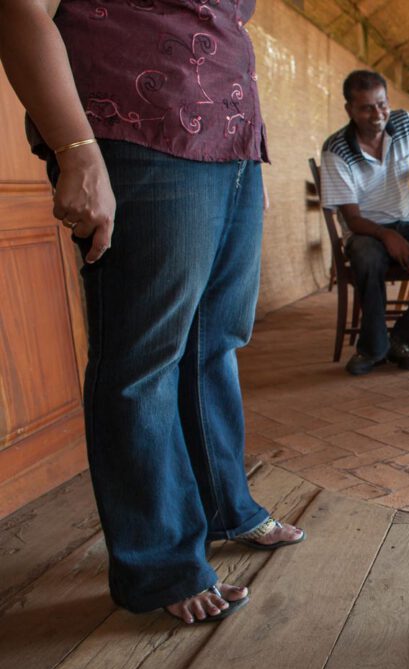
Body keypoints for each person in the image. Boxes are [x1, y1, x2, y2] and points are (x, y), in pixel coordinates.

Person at [1, 0, 304, 625]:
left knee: (213, 342)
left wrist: (246, 152)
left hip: (229, 145)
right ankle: (159, 564)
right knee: (143, 361)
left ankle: (225, 507)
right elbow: (19, 11)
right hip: (139, 132)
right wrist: (77, 149)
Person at [320, 70, 409, 376]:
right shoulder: (336, 150)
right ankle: (372, 348)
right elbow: (352, 219)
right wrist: (387, 236)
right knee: (366, 256)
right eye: (366, 107)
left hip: (407, 221)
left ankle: (405, 340)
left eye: (381, 104)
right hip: (365, 229)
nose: (377, 114)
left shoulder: (405, 124)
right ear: (350, 110)